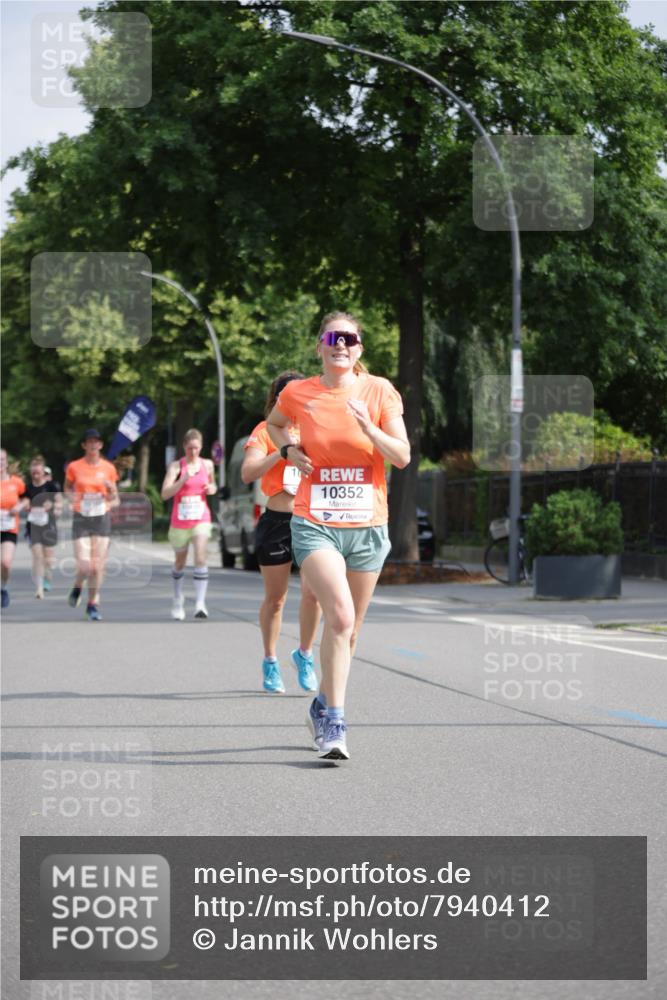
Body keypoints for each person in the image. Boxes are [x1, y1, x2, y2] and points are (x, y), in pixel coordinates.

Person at [268, 311, 410, 762]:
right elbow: (274, 424)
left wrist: (370, 429)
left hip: (368, 526)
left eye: (349, 338)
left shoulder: (379, 391)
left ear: (359, 347)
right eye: (333, 338)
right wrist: (288, 449)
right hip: (315, 522)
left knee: (349, 633)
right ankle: (334, 720)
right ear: (320, 347)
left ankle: (319, 703)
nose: (341, 345)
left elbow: (402, 456)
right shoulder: (298, 393)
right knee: (341, 617)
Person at [241, 372, 322, 694]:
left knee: (314, 593)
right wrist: (282, 451)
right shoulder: (264, 431)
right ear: (276, 399)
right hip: (277, 520)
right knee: (276, 600)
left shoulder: (315, 427)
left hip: (312, 519)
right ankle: (270, 660)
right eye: (284, 395)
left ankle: (305, 654)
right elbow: (248, 472)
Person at [161, 428, 217, 620]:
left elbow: (213, 485)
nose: (193, 451)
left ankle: (200, 603)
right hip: (180, 521)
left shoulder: (207, 464)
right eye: (190, 448)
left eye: (196, 448)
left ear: (201, 447)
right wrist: (182, 480)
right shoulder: (176, 467)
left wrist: (211, 489)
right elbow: (165, 493)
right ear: (184, 446)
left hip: (201, 518)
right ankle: (178, 599)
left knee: (200, 557)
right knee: (180, 562)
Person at [64, 429, 120, 621]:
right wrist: (71, 498)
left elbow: (114, 496)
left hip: (101, 518)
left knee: (96, 567)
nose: (93, 444)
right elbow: (67, 487)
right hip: (81, 517)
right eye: (89, 441)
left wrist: (111, 491)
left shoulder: (109, 468)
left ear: (101, 445)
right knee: (85, 566)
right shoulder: (74, 466)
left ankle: (92, 604)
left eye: (96, 441)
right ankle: (78, 585)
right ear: (84, 445)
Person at [24, 454, 62, 598]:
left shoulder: (51, 486)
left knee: (49, 557)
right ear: (31, 471)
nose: (36, 473)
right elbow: (23, 501)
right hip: (33, 526)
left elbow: (59, 500)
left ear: (43, 471)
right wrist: (26, 505)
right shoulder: (27, 488)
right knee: (37, 556)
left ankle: (47, 577)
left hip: (48, 525)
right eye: (33, 471)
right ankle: (39, 587)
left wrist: (55, 506)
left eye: (38, 471)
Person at [0, 448, 27, 609]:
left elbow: (26, 499)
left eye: (2, 459)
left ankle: (3, 588)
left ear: (6, 462)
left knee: (5, 563)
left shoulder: (16, 482)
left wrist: (19, 506)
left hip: (8, 528)